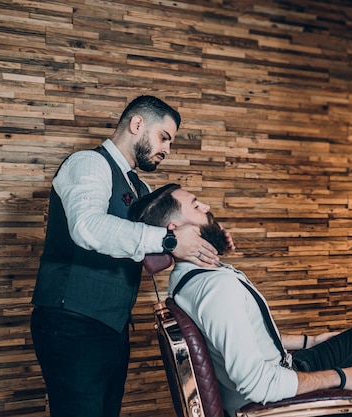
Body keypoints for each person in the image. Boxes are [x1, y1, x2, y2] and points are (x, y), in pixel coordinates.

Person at [128, 183, 352, 417]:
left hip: (283, 367)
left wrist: (311, 340)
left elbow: (240, 337)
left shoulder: (184, 280)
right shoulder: (216, 289)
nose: (207, 208)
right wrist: (341, 378)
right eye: (197, 206)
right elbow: (258, 385)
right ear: (176, 228)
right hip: (276, 400)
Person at [30, 95, 233, 417]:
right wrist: (168, 240)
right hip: (71, 321)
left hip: (112, 325)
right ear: (137, 124)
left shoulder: (140, 187)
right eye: (163, 137)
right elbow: (87, 227)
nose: (166, 148)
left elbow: (155, 256)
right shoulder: (88, 163)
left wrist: (211, 237)